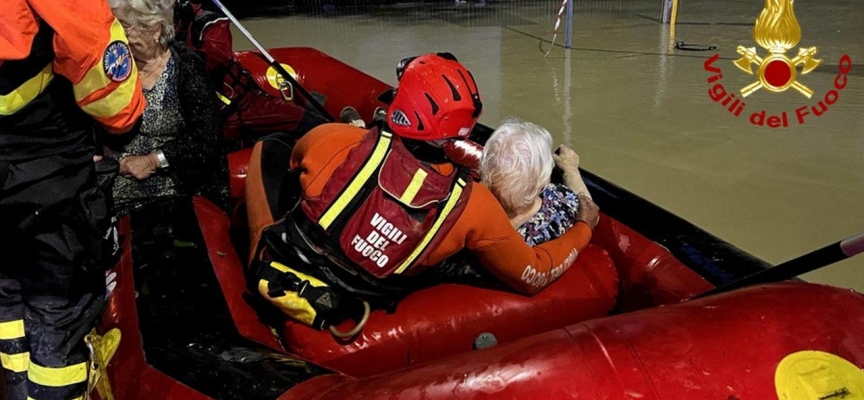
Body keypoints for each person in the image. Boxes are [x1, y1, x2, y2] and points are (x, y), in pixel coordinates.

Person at [245, 53, 600, 334]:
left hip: (288, 266)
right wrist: (584, 225)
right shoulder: (473, 205)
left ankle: (255, 252)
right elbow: (533, 274)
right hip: (359, 299)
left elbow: (293, 163)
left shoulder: (333, 139)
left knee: (271, 146)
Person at [0, 0, 145, 398]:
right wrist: (124, 124)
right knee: (57, 309)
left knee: (7, 292)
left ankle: (15, 384)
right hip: (47, 172)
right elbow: (94, 50)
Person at [105, 0, 229, 216]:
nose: (120, 36)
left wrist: (152, 161)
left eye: (125, 27)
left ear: (156, 30)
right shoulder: (114, 65)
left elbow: (206, 142)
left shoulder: (186, 68)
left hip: (173, 189)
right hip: (113, 180)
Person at [173, 0, 329, 143]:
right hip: (216, 112)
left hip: (242, 103)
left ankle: (334, 128)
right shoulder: (166, 23)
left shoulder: (208, 20)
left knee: (310, 123)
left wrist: (182, 53)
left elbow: (218, 60)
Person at [480, 118, 592, 246]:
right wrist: (571, 170)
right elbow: (589, 209)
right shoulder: (559, 210)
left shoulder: (471, 209)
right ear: (542, 180)